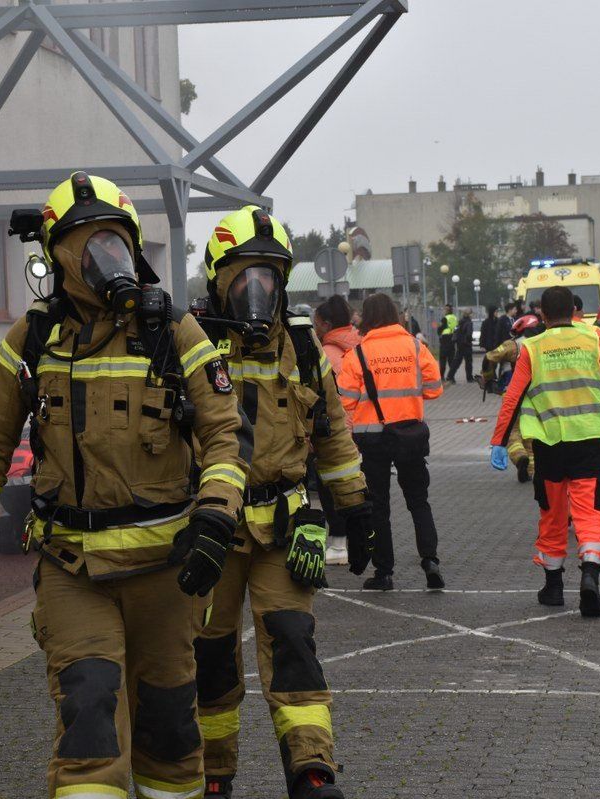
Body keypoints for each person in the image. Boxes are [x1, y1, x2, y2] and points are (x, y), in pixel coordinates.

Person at [0, 173, 250, 799]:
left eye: (114, 241)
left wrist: (216, 515)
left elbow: (225, 432)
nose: (105, 256)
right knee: (87, 712)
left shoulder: (174, 332)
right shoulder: (34, 338)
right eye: (88, 243)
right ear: (58, 255)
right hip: (73, 567)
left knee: (169, 728)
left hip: (167, 571)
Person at [195, 206, 373, 799]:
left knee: (294, 644)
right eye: (244, 275)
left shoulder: (301, 345)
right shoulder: (191, 345)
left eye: (268, 276)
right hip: (213, 530)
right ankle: (213, 773)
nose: (257, 289)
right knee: (211, 658)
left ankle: (311, 770)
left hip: (282, 529)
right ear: (219, 279)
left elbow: (333, 431)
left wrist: (357, 507)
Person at [490, 286, 600, 618]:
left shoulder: (533, 347)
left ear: (542, 314)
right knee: (591, 511)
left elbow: (513, 398)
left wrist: (499, 441)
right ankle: (590, 574)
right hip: (589, 443)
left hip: (549, 447)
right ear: (573, 311)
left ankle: (553, 587)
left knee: (552, 514)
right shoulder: (594, 338)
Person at [337, 293, 444, 592]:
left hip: (373, 439)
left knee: (379, 507)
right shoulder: (415, 346)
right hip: (410, 435)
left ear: (367, 317)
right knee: (418, 501)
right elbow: (434, 388)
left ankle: (384, 573)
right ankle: (430, 561)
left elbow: (346, 400)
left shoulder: (358, 354)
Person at [314, 295, 362, 565]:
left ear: (327, 324)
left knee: (330, 489)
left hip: (338, 431)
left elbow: (325, 397)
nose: (314, 328)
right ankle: (360, 541)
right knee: (356, 489)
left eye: (316, 323)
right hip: (367, 428)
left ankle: (339, 543)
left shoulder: (326, 354)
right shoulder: (361, 345)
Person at [482, 314, 545, 479]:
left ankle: (519, 457)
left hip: (515, 395)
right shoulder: (545, 343)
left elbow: (489, 357)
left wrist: (488, 379)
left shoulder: (514, 345)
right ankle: (530, 471)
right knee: (530, 435)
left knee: (512, 431)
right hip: (538, 397)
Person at [448, 309, 475, 383]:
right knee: (468, 362)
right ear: (469, 314)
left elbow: (456, 331)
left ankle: (450, 376)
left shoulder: (460, 322)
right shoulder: (469, 323)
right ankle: (469, 378)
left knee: (457, 361)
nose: (472, 315)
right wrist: (471, 339)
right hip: (466, 345)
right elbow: (469, 334)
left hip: (460, 344)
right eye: (472, 314)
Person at [439, 304, 458, 382]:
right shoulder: (454, 318)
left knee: (443, 359)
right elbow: (456, 328)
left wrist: (439, 330)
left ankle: (442, 377)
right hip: (452, 340)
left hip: (445, 340)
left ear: (447, 310)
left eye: (445, 309)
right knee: (451, 360)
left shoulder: (445, 319)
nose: (444, 311)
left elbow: (439, 329)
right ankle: (451, 377)